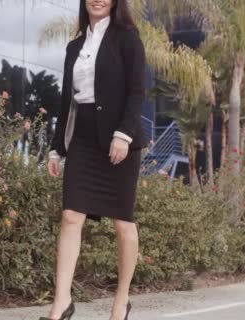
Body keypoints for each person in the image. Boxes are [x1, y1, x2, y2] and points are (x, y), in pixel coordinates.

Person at [41, 0, 147, 319]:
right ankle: (61, 302)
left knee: (122, 223)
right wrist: (57, 147)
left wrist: (124, 134)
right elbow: (67, 102)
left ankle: (121, 300)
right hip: (84, 140)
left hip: (118, 140)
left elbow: (137, 91)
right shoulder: (75, 45)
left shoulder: (127, 36)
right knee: (71, 216)